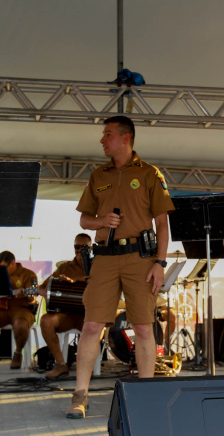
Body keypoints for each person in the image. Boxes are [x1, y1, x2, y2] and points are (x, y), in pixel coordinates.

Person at [66, 115, 175, 418]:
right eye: (103, 135)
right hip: (103, 257)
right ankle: (80, 394)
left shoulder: (150, 174)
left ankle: (146, 395)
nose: (103, 140)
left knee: (142, 326)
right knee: (91, 326)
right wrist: (102, 222)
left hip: (140, 258)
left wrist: (160, 263)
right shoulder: (98, 174)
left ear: (126, 138)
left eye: (108, 135)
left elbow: (163, 224)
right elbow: (84, 219)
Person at [40, 233, 91, 379]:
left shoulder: (98, 266)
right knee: (46, 320)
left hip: (90, 316)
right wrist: (41, 291)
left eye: (84, 247)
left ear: (91, 248)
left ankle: (87, 367)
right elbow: (44, 286)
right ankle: (60, 364)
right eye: (77, 246)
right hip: (68, 315)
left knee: (97, 328)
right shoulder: (64, 268)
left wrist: (77, 281)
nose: (80, 250)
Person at [0, 250, 39, 370]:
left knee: (20, 325)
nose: (1, 270)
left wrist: (26, 295)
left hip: (23, 310)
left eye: (4, 267)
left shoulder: (28, 274)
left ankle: (17, 354)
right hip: (3, 310)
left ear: (12, 264)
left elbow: (33, 298)